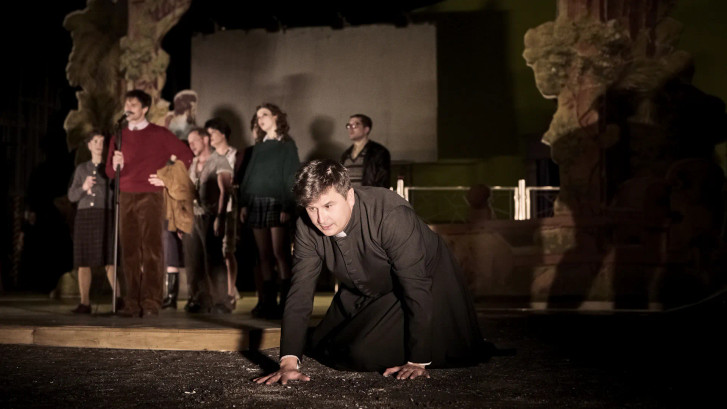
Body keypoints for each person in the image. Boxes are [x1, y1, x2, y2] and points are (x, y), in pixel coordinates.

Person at [254, 160, 487, 385]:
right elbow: (300, 292)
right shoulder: (306, 226)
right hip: (370, 282)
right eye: (312, 208)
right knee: (319, 343)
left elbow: (416, 287)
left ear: (349, 197)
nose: (321, 219)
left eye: (328, 206)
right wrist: (288, 363)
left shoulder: (393, 216)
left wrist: (417, 360)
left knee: (360, 355)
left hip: (427, 281)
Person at [105, 89, 193, 318]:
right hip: (125, 194)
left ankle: (151, 301)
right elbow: (109, 172)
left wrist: (166, 178)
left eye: (133, 104)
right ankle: (131, 302)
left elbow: (186, 156)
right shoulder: (119, 135)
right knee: (129, 250)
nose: (128, 108)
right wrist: (116, 165)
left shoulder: (159, 133)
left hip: (151, 195)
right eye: (127, 104)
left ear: (144, 109)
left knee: (152, 249)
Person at [153, 128, 233, 313]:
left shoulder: (219, 160)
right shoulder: (192, 163)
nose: (191, 146)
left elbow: (225, 191)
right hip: (191, 216)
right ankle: (198, 299)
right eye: (189, 143)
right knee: (193, 260)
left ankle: (221, 301)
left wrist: (220, 217)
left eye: (194, 141)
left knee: (213, 258)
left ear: (205, 139)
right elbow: (185, 191)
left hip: (210, 215)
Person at [239, 103, 300, 319]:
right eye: (258, 117)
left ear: (276, 116)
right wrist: (244, 203)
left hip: (277, 202)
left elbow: (291, 176)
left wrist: (287, 205)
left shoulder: (286, 145)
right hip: (256, 202)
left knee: (279, 253)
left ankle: (287, 303)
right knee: (263, 255)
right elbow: (249, 176)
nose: (260, 119)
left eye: (264, 114)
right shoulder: (259, 146)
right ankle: (267, 301)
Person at [67, 131, 121, 313]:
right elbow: (71, 196)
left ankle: (118, 299)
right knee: (83, 260)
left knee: (109, 259)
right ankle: (85, 303)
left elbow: (117, 192)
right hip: (84, 216)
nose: (99, 145)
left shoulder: (110, 169)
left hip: (104, 215)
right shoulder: (81, 169)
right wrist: (84, 187)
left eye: (102, 142)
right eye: (95, 141)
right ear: (89, 145)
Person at [206, 117, 244, 310]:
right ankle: (217, 293)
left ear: (222, 134)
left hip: (230, 208)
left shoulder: (236, 155)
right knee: (213, 253)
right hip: (210, 209)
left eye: (213, 133)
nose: (210, 137)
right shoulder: (210, 157)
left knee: (227, 250)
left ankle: (230, 293)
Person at [340, 114, 391, 188]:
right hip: (348, 194)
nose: (350, 129)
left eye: (354, 125)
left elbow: (382, 182)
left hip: (369, 194)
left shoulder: (379, 152)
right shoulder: (346, 155)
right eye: (349, 125)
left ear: (366, 129)